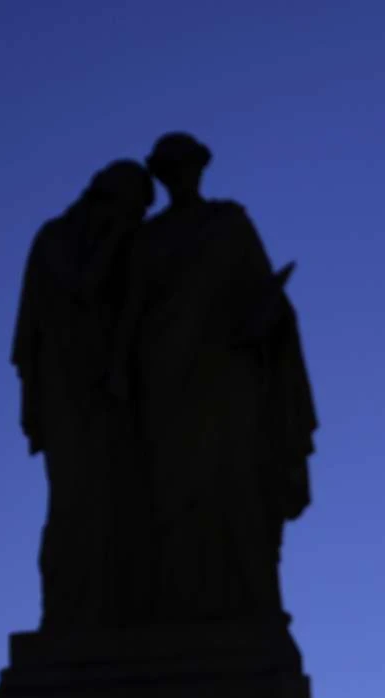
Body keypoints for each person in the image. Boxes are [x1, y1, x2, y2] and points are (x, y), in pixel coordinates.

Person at [115, 132, 317, 624]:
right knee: (174, 502)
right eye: (172, 168)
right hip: (168, 389)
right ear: (162, 175)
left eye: (187, 166)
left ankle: (246, 606)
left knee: (239, 493)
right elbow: (129, 320)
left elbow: (268, 304)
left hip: (229, 384)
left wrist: (259, 324)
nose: (182, 176)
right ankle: (182, 608)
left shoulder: (229, 224)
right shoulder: (148, 241)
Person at [12, 160, 155, 630]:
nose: (137, 222)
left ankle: (117, 604)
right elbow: (82, 292)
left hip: (110, 392)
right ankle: (74, 610)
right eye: (136, 209)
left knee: (120, 501)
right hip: (74, 391)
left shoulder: (102, 239)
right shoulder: (59, 239)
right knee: (79, 502)